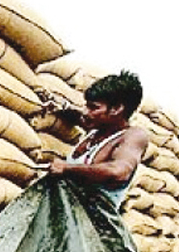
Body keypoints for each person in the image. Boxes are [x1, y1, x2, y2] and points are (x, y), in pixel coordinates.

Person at [48, 70, 149, 209]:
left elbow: (118, 172)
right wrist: (61, 107)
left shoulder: (133, 136)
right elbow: (78, 116)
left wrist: (67, 168)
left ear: (117, 109)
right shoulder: (97, 129)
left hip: (92, 224)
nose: (85, 112)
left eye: (93, 107)